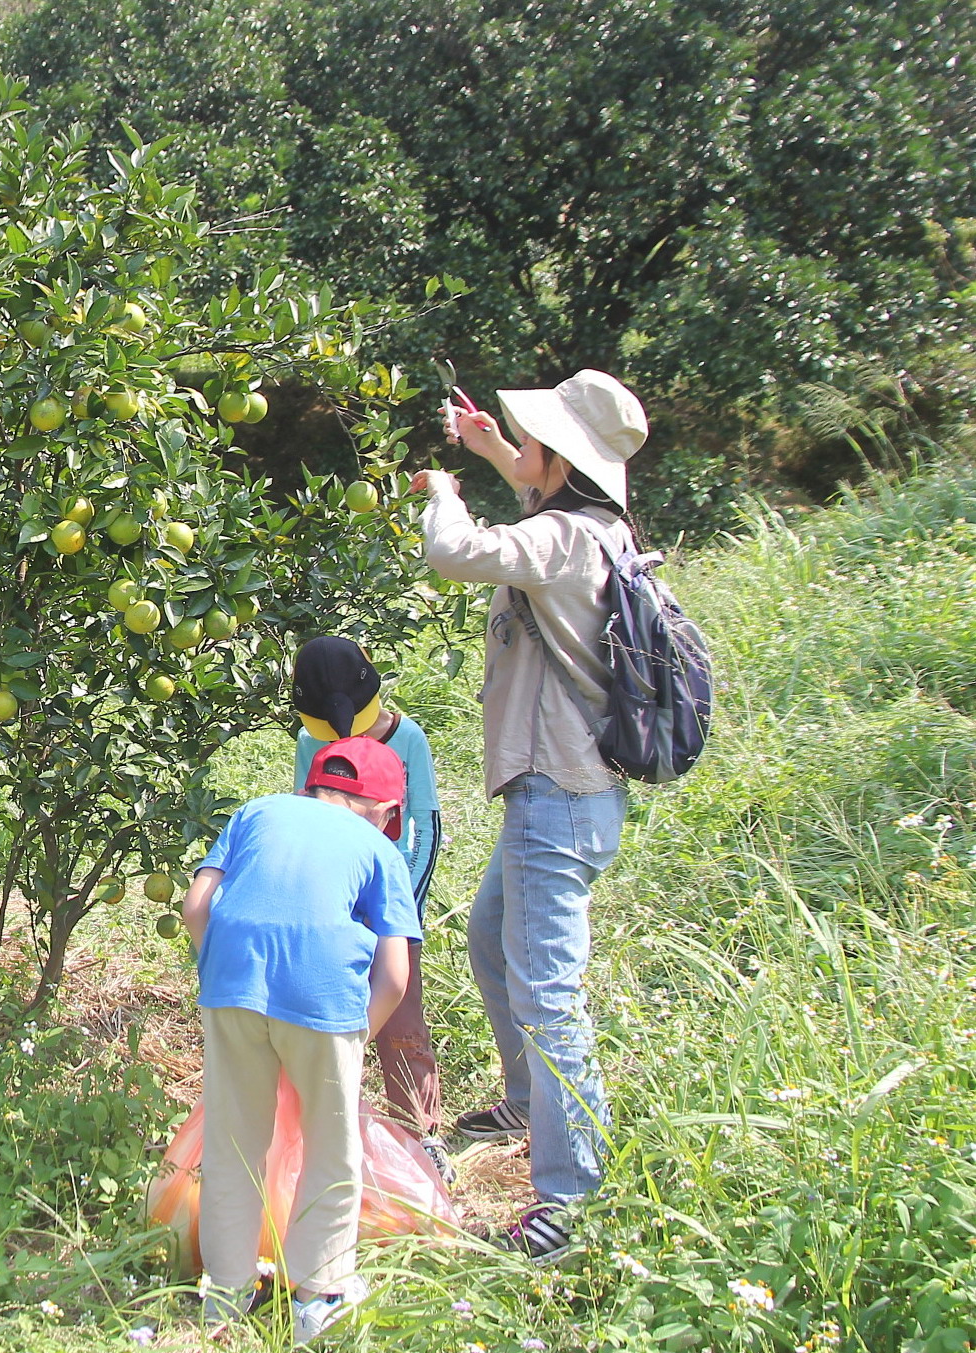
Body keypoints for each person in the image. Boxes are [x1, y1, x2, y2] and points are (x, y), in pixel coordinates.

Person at [413, 367, 648, 1261]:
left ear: (562, 459)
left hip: (558, 796)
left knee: (550, 995)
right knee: (488, 935)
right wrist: (494, 449)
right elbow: (542, 495)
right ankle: (524, 1099)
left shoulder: (560, 540)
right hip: (564, 794)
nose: (526, 451)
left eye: (534, 441)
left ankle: (566, 1200)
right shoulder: (598, 527)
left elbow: (458, 553)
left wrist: (442, 490)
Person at [183, 738, 419, 1342]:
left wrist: (221, 974)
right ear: (389, 812)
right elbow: (394, 974)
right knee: (330, 1147)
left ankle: (226, 1296)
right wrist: (354, 1035)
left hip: (232, 983)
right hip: (324, 1001)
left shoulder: (257, 811)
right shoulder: (379, 849)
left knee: (234, 1142)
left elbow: (195, 907)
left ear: (307, 790)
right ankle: (320, 1292)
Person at [289, 636, 449, 1178]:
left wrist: (401, 910)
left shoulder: (409, 740)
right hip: (334, 908)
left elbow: (425, 828)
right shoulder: (309, 747)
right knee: (326, 1017)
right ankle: (330, 1131)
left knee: (400, 1017)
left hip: (390, 903)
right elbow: (306, 820)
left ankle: (420, 1133)